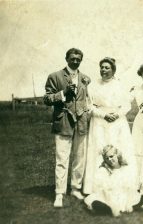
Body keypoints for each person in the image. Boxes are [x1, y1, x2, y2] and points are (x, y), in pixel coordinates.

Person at [43, 48, 91, 207]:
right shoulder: (55, 76)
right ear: (66, 58)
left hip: (81, 122)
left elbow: (87, 99)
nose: (75, 61)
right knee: (62, 158)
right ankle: (59, 193)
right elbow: (47, 99)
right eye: (73, 58)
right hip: (63, 121)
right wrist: (63, 92)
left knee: (79, 157)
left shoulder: (85, 78)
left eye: (78, 59)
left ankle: (76, 188)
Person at [83, 57, 137, 195]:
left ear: (113, 70)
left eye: (107, 68)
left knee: (118, 151)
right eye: (102, 67)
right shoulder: (93, 86)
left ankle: (120, 185)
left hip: (117, 123)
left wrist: (117, 114)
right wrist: (103, 115)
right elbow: (89, 106)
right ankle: (97, 187)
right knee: (99, 150)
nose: (103, 70)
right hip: (99, 122)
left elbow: (127, 105)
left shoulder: (120, 85)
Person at [84, 145, 142, 217]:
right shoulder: (104, 170)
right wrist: (112, 204)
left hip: (123, 195)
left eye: (111, 156)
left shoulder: (125, 169)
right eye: (107, 158)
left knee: (139, 198)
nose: (110, 160)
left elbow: (130, 188)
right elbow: (104, 190)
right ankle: (109, 209)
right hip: (108, 197)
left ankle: (131, 207)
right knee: (95, 201)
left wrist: (129, 203)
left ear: (117, 155)